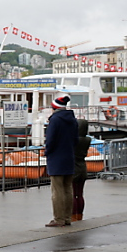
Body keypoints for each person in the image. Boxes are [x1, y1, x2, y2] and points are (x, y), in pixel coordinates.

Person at [43, 95, 78, 227]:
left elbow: (50, 140)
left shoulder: (55, 120)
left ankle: (59, 219)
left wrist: (47, 152)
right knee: (68, 188)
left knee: (57, 190)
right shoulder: (73, 120)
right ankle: (68, 217)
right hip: (69, 156)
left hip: (56, 158)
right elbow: (76, 140)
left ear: (54, 108)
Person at [72, 119, 91, 221]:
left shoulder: (74, 140)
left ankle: (73, 214)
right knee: (80, 194)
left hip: (74, 167)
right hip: (83, 167)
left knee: (73, 193)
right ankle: (80, 213)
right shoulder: (87, 140)